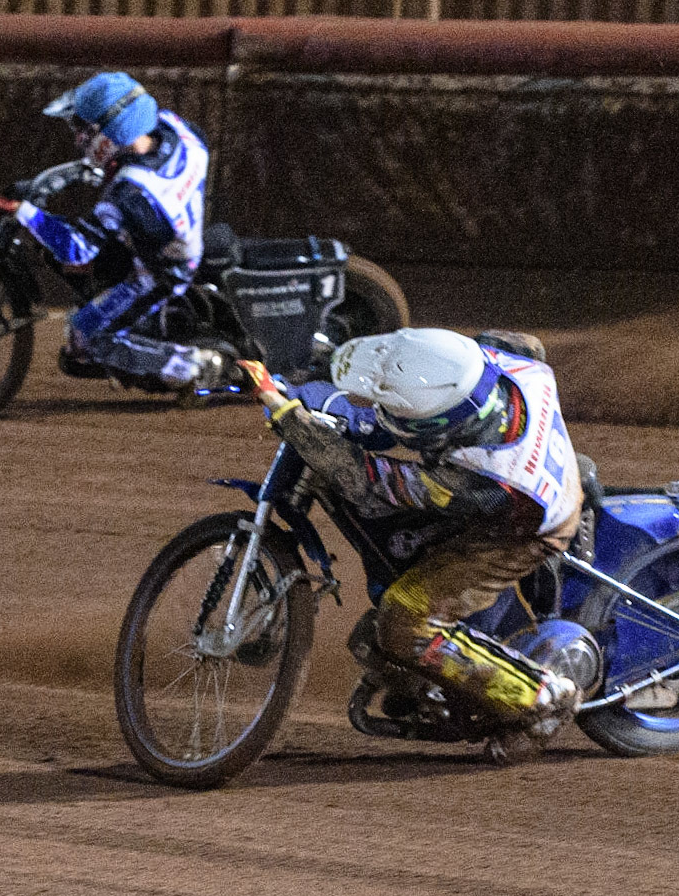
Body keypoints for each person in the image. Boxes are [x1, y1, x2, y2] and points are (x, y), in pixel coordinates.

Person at [243, 327, 583, 763]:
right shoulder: (493, 359)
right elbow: (427, 358)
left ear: (438, 431)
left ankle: (542, 698)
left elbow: (368, 481)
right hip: (536, 472)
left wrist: (285, 412)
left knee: (405, 620)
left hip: (519, 532)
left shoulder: (477, 480)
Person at [0, 71, 226, 391]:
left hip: (163, 269)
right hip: (173, 228)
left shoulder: (129, 192)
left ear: (110, 132)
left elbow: (76, 249)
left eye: (84, 128)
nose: (78, 139)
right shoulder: (177, 128)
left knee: (86, 334)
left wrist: (23, 211)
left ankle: (190, 365)